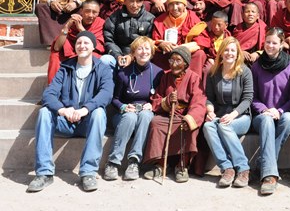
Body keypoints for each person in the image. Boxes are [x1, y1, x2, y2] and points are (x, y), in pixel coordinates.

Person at [27, 31, 114, 193]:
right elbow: (49, 94)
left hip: (88, 123)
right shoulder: (65, 67)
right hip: (65, 122)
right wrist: (62, 110)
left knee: (99, 113)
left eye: (86, 43)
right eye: (79, 43)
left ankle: (88, 172)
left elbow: (106, 94)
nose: (82, 46)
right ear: (75, 46)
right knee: (45, 112)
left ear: (94, 46)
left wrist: (85, 109)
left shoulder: (102, 69)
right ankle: (44, 173)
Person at [143, 46, 206, 183]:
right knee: (156, 123)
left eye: (178, 61)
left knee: (190, 126)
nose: (173, 64)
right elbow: (156, 98)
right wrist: (166, 101)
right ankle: (160, 164)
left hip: (184, 114)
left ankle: (182, 165)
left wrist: (190, 118)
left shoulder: (194, 78)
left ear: (186, 64)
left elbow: (199, 103)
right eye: (171, 60)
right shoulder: (166, 77)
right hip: (168, 114)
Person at [104, 36, 163, 181]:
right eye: (140, 49)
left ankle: (134, 162)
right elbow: (114, 99)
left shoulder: (158, 72)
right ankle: (113, 162)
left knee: (145, 116)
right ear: (133, 53)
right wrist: (123, 107)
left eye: (147, 48)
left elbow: (161, 96)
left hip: (145, 112)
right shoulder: (123, 73)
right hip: (125, 114)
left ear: (152, 52)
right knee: (130, 117)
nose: (144, 52)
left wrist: (153, 105)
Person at [250, 28, 290, 195]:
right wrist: (264, 110)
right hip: (261, 117)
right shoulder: (256, 66)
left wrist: (280, 110)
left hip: (282, 113)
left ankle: (263, 161)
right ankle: (269, 175)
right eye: (267, 42)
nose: (270, 45)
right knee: (267, 120)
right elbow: (252, 97)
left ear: (282, 45)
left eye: (274, 43)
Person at [203, 37, 254, 188]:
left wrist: (233, 115)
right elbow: (209, 97)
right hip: (220, 115)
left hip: (241, 116)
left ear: (238, 53)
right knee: (208, 126)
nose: (229, 53)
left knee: (224, 126)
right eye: (226, 50)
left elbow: (248, 99)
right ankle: (227, 168)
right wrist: (210, 111)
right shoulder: (213, 72)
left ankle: (243, 168)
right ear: (221, 52)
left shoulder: (245, 72)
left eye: (233, 50)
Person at [47, 0, 105, 83]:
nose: (90, 15)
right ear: (81, 11)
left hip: (89, 53)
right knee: (55, 56)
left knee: (92, 57)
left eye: (94, 12)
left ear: (98, 13)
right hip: (72, 52)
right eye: (87, 11)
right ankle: (54, 89)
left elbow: (96, 45)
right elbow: (57, 47)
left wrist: (80, 28)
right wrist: (67, 26)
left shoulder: (100, 23)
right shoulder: (74, 21)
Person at [152, 0, 206, 77]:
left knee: (200, 54)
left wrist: (181, 49)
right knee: (156, 55)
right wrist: (162, 44)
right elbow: (154, 41)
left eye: (178, 4)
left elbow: (201, 41)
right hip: (168, 55)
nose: (175, 8)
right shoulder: (160, 20)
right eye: (171, 4)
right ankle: (163, 82)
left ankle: (193, 81)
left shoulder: (192, 18)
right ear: (167, 7)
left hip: (187, 54)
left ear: (185, 6)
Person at [102, 0, 155, 69]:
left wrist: (132, 56)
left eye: (138, 1)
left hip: (140, 56)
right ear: (125, 1)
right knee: (105, 60)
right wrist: (118, 56)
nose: (134, 5)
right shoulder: (114, 18)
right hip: (119, 56)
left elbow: (150, 42)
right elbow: (109, 40)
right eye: (131, 0)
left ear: (143, 2)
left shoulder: (150, 19)